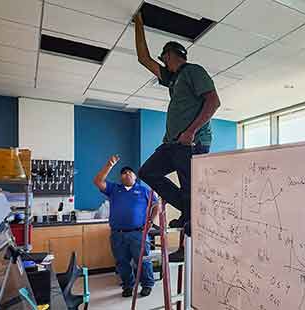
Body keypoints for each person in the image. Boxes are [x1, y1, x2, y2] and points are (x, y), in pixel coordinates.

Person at [133, 13, 221, 262]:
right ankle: (187, 210)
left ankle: (189, 241)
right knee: (147, 172)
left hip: (192, 143)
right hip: (173, 144)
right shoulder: (174, 79)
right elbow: (143, 58)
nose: (163, 63)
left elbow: (214, 101)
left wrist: (191, 131)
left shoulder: (193, 71)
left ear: (171, 55)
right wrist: (139, 24)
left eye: (165, 58)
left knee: (190, 191)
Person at [93, 155, 158, 298]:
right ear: (121, 178)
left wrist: (151, 221)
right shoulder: (114, 189)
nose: (127, 173)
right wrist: (109, 165)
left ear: (135, 176)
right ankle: (128, 285)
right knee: (122, 262)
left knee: (143, 260)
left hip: (138, 233)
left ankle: (147, 284)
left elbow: (156, 206)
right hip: (118, 234)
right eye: (123, 172)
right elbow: (98, 181)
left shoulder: (144, 190)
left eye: (129, 172)